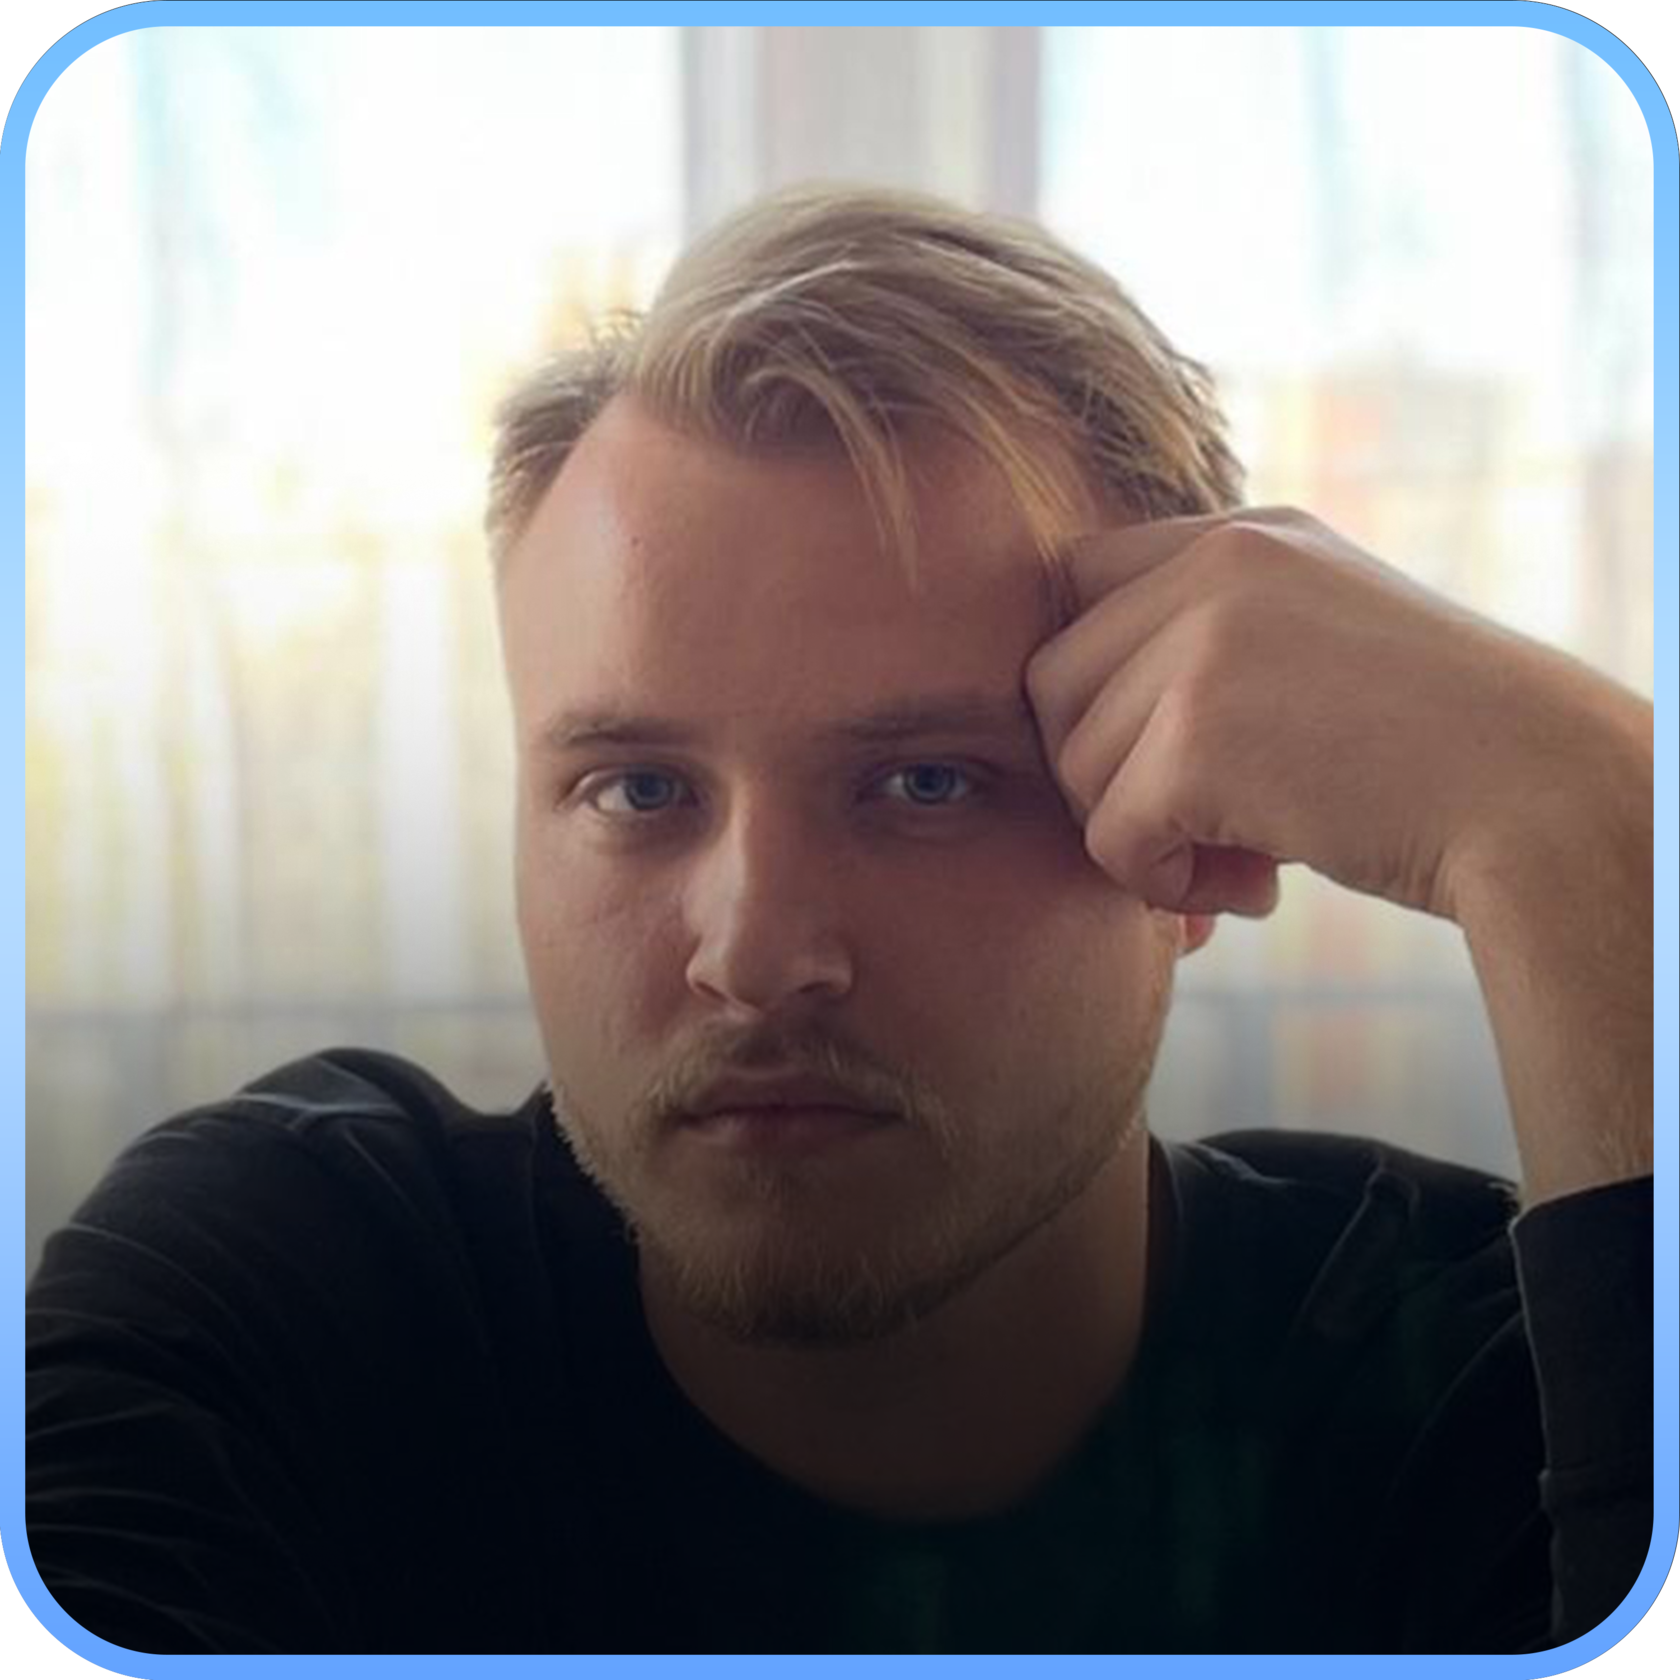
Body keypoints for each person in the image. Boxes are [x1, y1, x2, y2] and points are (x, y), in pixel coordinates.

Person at [26, 186, 1653, 1655]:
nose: (753, 956)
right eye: (638, 790)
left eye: (927, 784)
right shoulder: (288, 1312)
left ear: (1194, 843)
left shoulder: (1499, 1385)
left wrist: (1593, 824)